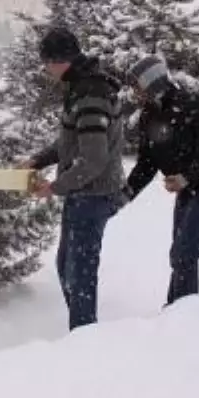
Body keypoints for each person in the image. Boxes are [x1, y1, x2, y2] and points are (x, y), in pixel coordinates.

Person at [21, 27, 128, 331]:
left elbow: (93, 160)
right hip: (81, 193)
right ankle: (83, 332)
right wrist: (37, 160)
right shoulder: (81, 88)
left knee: (79, 273)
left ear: (60, 60)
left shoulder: (90, 95)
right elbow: (71, 144)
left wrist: (54, 187)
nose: (45, 69)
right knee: (66, 267)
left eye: (46, 62)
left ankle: (85, 339)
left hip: (92, 195)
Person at [123, 55, 199, 306]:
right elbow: (147, 162)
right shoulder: (150, 115)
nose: (134, 92)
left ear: (153, 83)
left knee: (184, 255)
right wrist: (125, 193)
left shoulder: (195, 106)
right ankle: (177, 309)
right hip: (187, 193)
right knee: (180, 255)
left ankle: (183, 315)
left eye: (137, 85)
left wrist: (186, 177)